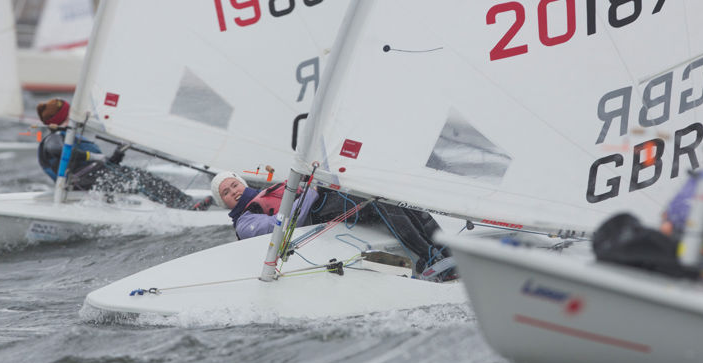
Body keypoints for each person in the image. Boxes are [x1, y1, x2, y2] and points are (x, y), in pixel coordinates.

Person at [210, 171, 454, 280]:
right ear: (224, 202)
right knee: (381, 204)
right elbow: (280, 225)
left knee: (397, 197)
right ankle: (430, 259)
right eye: (227, 192)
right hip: (317, 216)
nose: (234, 190)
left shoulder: (263, 193)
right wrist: (311, 192)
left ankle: (449, 253)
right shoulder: (245, 221)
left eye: (234, 184)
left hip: (326, 200)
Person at [36, 99, 211, 210]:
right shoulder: (54, 138)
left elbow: (104, 163)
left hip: (98, 175)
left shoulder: (70, 136)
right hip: (84, 181)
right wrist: (91, 157)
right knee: (138, 181)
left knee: (145, 176)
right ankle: (185, 207)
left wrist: (118, 154)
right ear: (65, 116)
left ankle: (185, 202)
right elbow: (57, 150)